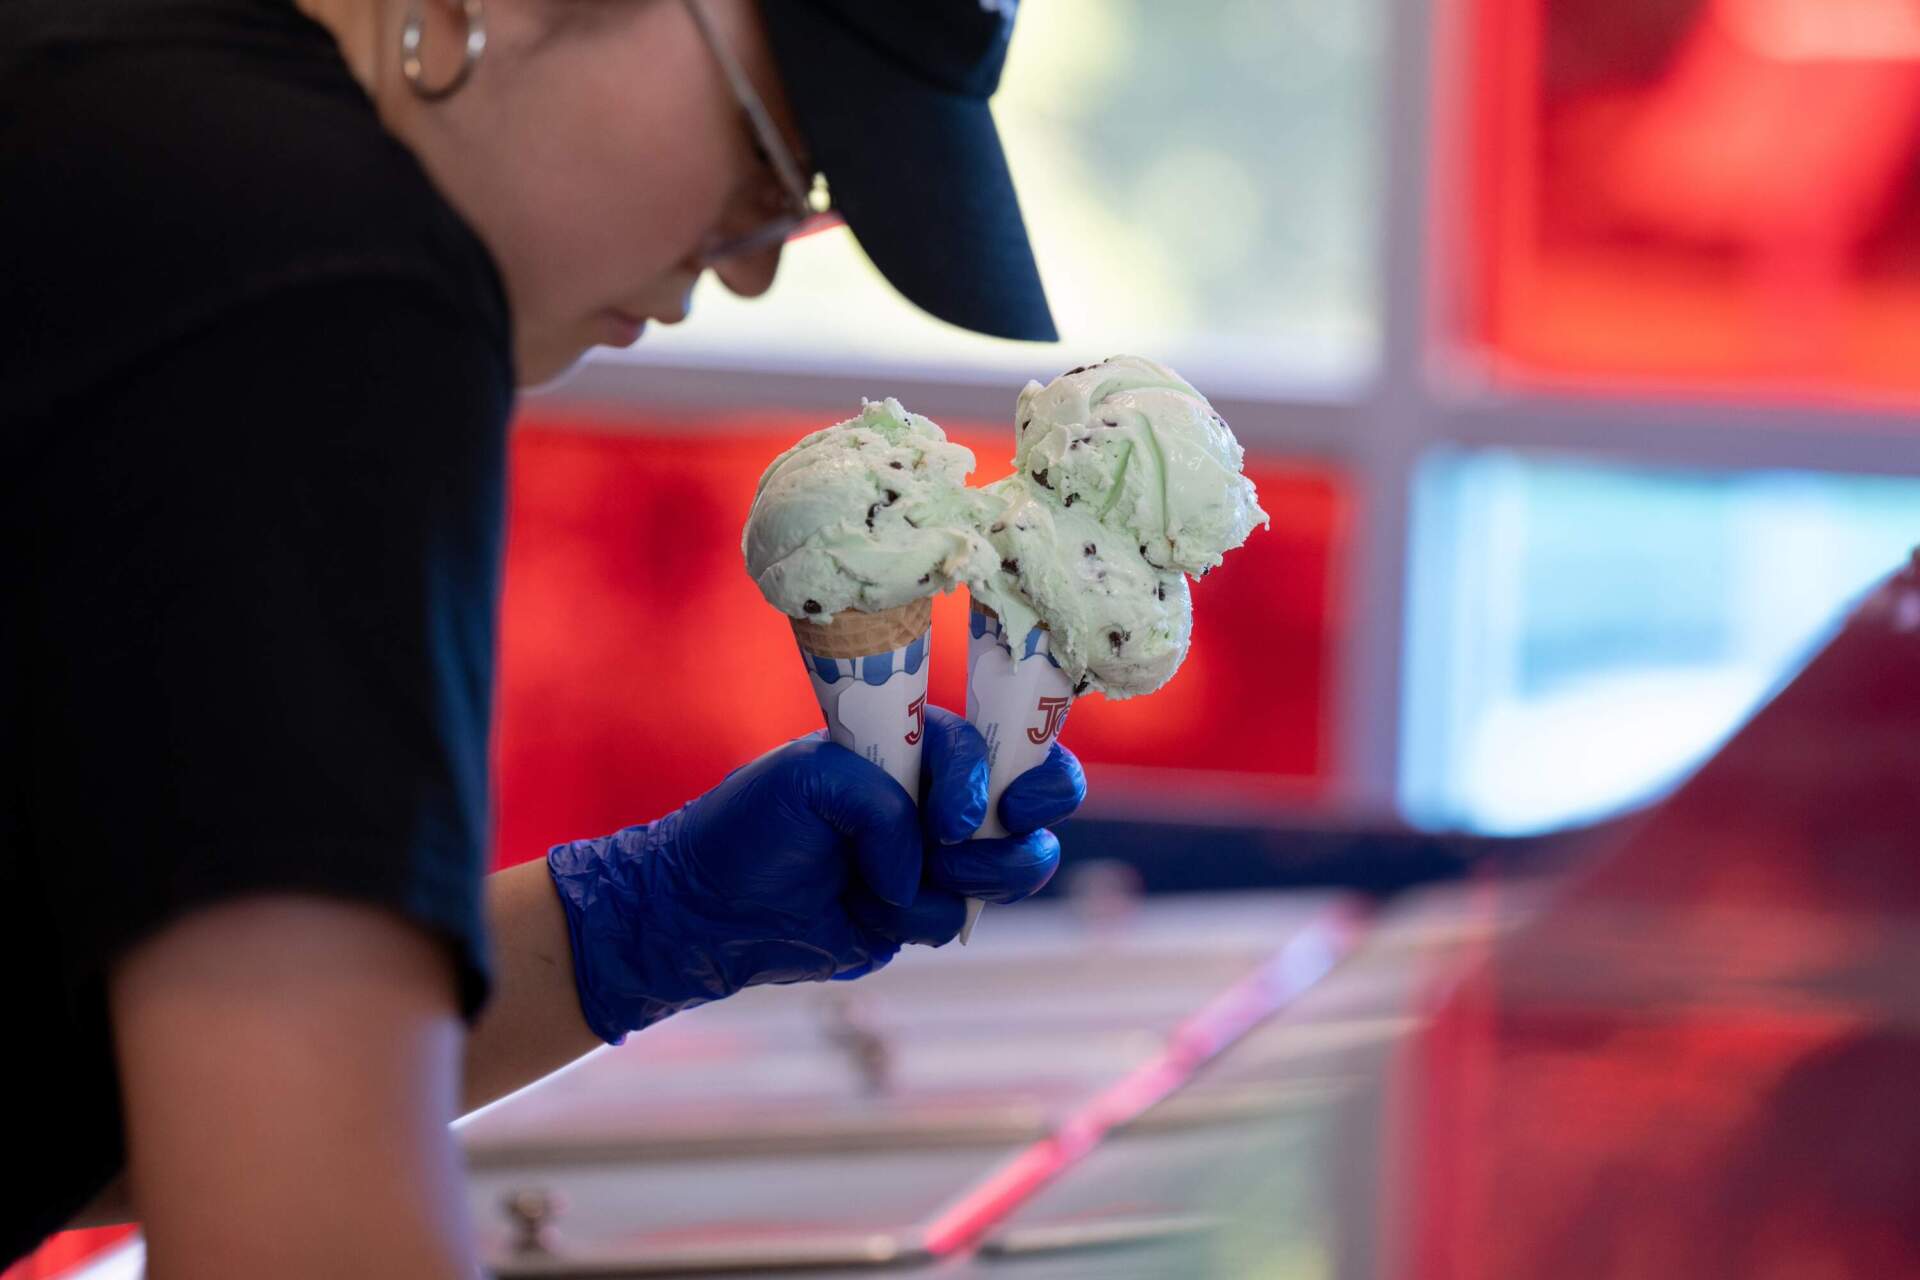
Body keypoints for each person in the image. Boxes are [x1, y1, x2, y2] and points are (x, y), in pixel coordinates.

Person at [0, 0, 1083, 1272]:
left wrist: (628, 928)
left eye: (808, 194)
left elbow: (178, 1107)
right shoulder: (325, 274)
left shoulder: (110, 102)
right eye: (769, 146)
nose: (752, 259)